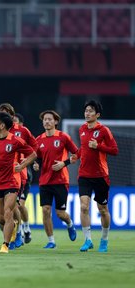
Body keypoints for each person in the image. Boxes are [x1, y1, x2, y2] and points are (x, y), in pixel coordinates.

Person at [0, 112, 37, 253]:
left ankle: (5, 245)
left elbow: (33, 153)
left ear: (2, 125)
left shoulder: (15, 140)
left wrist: (23, 165)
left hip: (12, 181)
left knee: (7, 213)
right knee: (0, 218)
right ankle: (12, 228)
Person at [71, 100, 118, 253]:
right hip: (84, 175)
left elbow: (114, 150)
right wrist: (75, 156)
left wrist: (98, 146)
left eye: (91, 111)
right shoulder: (82, 129)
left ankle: (104, 240)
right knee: (84, 207)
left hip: (100, 176)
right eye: (86, 111)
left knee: (102, 209)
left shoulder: (104, 130)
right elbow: (83, 148)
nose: (87, 113)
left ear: (97, 114)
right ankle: (88, 240)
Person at [33, 110, 78, 248]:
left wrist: (64, 164)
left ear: (56, 122)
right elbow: (38, 158)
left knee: (60, 213)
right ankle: (51, 241)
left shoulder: (64, 137)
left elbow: (77, 154)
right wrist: (36, 164)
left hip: (60, 180)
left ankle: (70, 224)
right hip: (45, 181)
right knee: (45, 210)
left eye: (49, 119)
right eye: (44, 119)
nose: (46, 121)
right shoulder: (38, 140)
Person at [13, 112, 34, 244]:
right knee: (15, 206)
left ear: (21, 124)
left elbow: (34, 149)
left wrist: (34, 162)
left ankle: (24, 228)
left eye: (15, 121)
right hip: (12, 176)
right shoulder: (5, 134)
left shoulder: (24, 133)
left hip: (24, 175)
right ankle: (21, 230)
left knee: (20, 205)